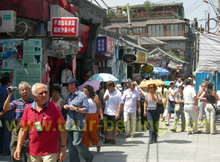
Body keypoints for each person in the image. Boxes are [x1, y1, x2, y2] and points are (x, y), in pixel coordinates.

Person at [13, 83, 67, 162]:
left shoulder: (54, 107)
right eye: (41, 93)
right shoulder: (28, 109)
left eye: (46, 92)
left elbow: (62, 129)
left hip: (50, 151)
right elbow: (22, 130)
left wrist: (63, 148)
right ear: (34, 96)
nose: (44, 95)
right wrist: (18, 147)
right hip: (33, 152)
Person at [63, 78, 94, 162]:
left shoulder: (82, 95)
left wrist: (76, 108)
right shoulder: (69, 95)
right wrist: (65, 106)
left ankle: (89, 157)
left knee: (76, 143)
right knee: (71, 146)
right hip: (69, 123)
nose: (66, 87)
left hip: (78, 123)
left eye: (67, 85)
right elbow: (67, 104)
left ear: (73, 85)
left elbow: (86, 110)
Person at [3, 81, 33, 162]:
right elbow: (6, 108)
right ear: (19, 92)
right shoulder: (16, 102)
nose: (24, 92)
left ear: (29, 91)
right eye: (22, 90)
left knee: (28, 154)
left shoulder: (34, 103)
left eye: (26, 90)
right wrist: (9, 95)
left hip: (28, 131)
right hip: (16, 130)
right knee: (14, 152)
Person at [81, 85, 103, 152]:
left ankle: (96, 144)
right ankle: (86, 147)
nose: (84, 92)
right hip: (84, 117)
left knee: (92, 133)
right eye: (83, 91)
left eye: (85, 91)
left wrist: (102, 117)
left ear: (89, 91)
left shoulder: (94, 98)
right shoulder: (82, 98)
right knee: (84, 133)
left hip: (93, 117)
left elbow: (99, 108)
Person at [0, 76, 14, 155]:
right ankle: (5, 150)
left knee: (1, 132)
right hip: (7, 113)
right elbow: (10, 104)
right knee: (7, 132)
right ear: (8, 82)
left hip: (0, 113)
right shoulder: (9, 91)